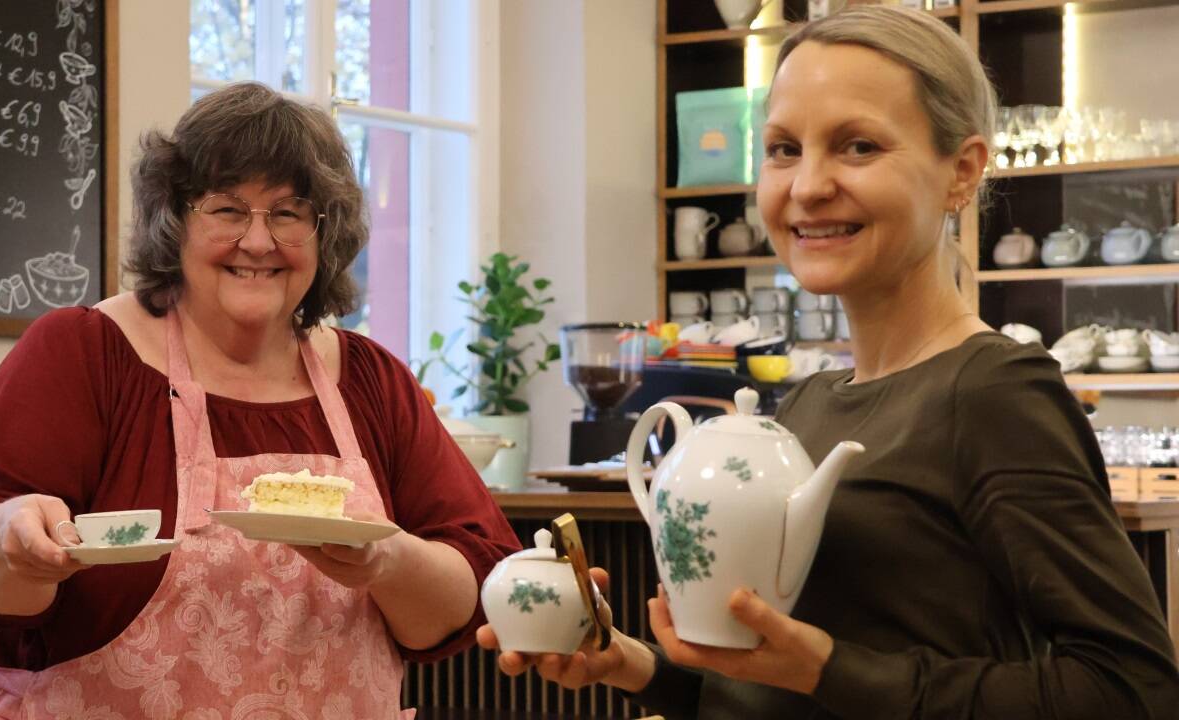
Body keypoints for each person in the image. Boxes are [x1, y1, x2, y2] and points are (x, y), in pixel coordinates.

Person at [478, 6, 1179, 718]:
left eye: (858, 147)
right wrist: (630, 663)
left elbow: (1132, 689)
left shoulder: (995, 393)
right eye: (784, 149)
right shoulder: (807, 403)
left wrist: (828, 669)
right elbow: (770, 692)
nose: (807, 186)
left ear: (961, 172)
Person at [0, 82, 520, 720]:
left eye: (288, 213)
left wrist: (386, 560)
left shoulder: (371, 381)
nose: (258, 242)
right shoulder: (88, 353)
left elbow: (478, 588)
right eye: (227, 209)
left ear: (324, 233)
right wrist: (12, 537)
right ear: (175, 220)